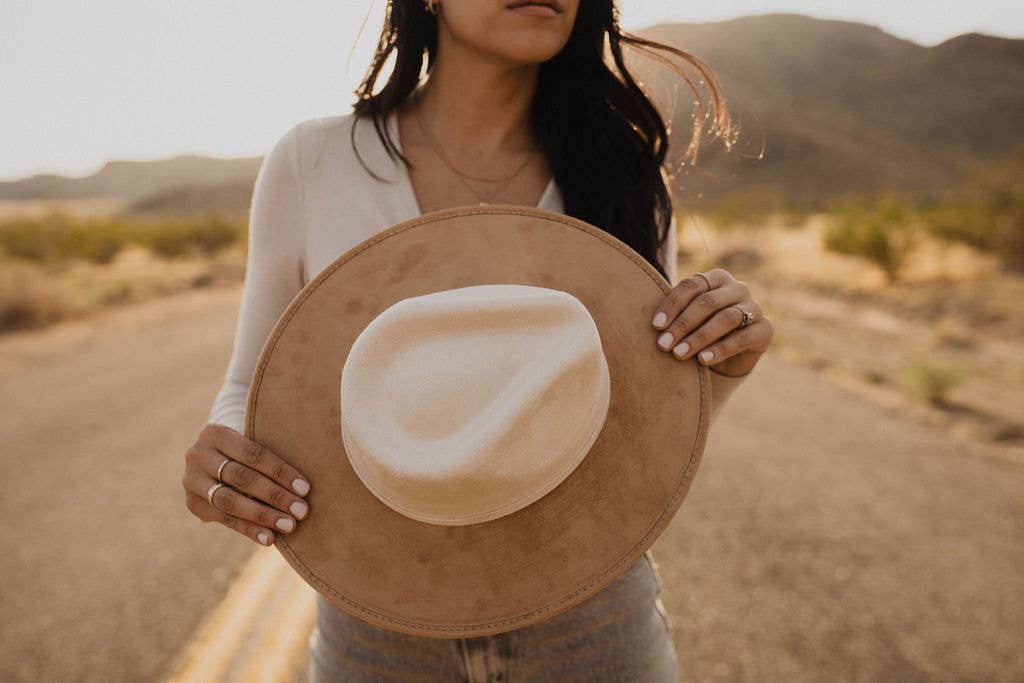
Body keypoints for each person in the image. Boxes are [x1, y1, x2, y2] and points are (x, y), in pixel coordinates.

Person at [181, 0, 773, 679]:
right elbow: (246, 387)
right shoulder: (315, 162)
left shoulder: (617, 169)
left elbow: (642, 428)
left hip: (596, 624)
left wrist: (721, 367)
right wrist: (228, 462)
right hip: (375, 632)